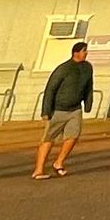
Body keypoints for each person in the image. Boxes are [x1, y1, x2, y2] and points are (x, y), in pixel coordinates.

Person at [32, 42, 95, 178]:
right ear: (76, 53)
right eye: (84, 51)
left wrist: (88, 103)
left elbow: (89, 86)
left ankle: (59, 163)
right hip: (58, 109)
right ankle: (39, 170)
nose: (86, 53)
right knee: (49, 138)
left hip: (75, 109)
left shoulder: (87, 68)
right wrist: (45, 111)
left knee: (73, 136)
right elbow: (50, 89)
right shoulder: (64, 69)